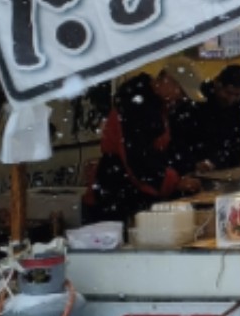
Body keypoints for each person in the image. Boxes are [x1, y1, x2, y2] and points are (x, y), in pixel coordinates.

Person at [83, 71, 201, 227]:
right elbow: (138, 158)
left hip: (128, 190)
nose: (180, 98)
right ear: (167, 80)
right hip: (118, 192)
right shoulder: (136, 106)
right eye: (180, 91)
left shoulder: (155, 105)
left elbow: (167, 148)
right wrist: (174, 182)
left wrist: (190, 165)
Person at [174, 63, 240, 173]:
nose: (231, 99)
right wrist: (192, 165)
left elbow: (237, 140)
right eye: (228, 93)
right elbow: (182, 137)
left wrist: (234, 170)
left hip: (221, 163)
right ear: (217, 84)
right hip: (193, 162)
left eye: (237, 95)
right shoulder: (198, 96)